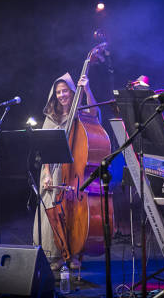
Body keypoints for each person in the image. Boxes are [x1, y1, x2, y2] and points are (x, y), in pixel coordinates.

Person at [33, 72, 99, 271]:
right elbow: (44, 149)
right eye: (58, 92)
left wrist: (87, 89)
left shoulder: (81, 114)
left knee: (73, 214)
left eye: (65, 91)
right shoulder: (51, 117)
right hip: (53, 171)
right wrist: (45, 174)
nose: (62, 95)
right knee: (53, 213)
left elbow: (95, 114)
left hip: (74, 173)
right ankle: (57, 255)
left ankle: (75, 252)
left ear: (72, 92)